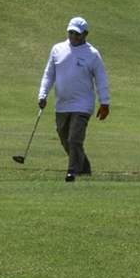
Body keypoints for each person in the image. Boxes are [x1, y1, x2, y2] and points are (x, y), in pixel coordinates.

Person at [38, 15, 110, 182]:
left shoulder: (92, 54)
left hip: (82, 105)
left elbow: (101, 79)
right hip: (62, 104)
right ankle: (84, 169)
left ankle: (72, 172)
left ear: (85, 34)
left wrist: (104, 102)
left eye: (77, 34)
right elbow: (49, 75)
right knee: (65, 140)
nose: (73, 37)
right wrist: (42, 94)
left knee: (74, 139)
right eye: (71, 33)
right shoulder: (57, 49)